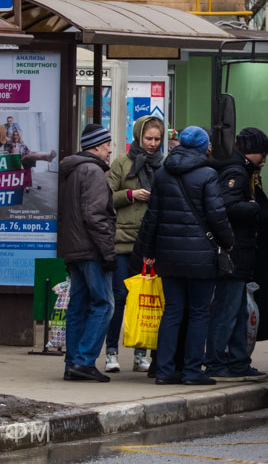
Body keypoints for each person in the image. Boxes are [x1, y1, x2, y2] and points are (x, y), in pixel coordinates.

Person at [136, 126, 233, 385]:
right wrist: (228, 241)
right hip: (201, 257)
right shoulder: (208, 174)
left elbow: (152, 215)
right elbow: (217, 215)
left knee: (172, 312)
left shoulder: (162, 173)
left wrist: (148, 250)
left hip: (168, 257)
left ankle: (165, 371)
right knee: (199, 313)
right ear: (203, 146)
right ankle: (192, 371)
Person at [205, 127, 268, 382]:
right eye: (262, 154)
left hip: (239, 253)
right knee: (227, 310)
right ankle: (217, 363)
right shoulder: (237, 172)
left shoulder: (240, 169)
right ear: (250, 152)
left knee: (239, 310)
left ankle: (239, 361)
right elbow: (225, 206)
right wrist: (253, 209)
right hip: (235, 252)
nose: (264, 160)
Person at [103, 115, 164, 373]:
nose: (152, 144)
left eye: (157, 139)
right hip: (123, 243)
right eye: (148, 138)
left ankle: (141, 354)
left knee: (146, 301)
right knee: (118, 297)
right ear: (138, 136)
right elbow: (105, 197)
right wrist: (131, 194)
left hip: (150, 244)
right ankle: (111, 353)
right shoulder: (121, 163)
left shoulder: (163, 166)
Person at [58, 123, 117, 382]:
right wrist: (108, 253)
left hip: (74, 249)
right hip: (91, 249)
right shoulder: (93, 171)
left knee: (78, 306)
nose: (109, 151)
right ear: (96, 146)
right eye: (107, 146)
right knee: (104, 304)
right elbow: (95, 217)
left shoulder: (72, 171)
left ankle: (72, 363)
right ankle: (84, 361)